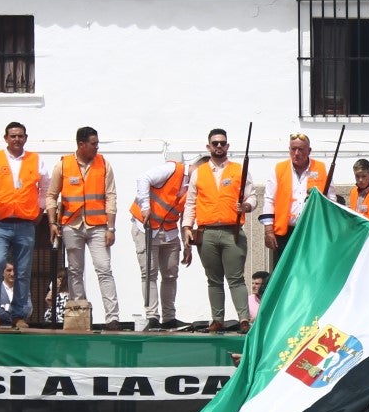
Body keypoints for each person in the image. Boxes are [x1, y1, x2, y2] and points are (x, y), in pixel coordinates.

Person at [47, 126, 120, 330]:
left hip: (98, 226)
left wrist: (111, 228)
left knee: (104, 268)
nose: (97, 147)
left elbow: (111, 196)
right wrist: (53, 222)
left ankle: (112, 318)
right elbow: (51, 195)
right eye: (93, 143)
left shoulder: (104, 164)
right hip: (72, 224)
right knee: (75, 271)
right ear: (81, 144)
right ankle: (79, 318)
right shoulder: (63, 165)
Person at [185, 129, 256, 333]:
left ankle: (244, 319)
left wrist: (247, 207)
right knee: (213, 280)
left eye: (222, 143)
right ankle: (217, 319)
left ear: (227, 146)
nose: (218, 146)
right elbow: (190, 203)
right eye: (214, 143)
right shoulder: (199, 173)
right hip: (206, 232)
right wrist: (187, 228)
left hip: (232, 231)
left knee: (236, 278)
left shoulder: (238, 170)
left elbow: (252, 196)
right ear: (208, 146)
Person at [0, 121, 47, 329]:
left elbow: (45, 185)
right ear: (6, 138)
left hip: (25, 223)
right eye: (13, 136)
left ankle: (19, 315)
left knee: (23, 270)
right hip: (0, 222)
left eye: (20, 136)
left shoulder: (35, 160)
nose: (16, 139)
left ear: (25, 138)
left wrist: (40, 210)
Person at [131, 150, 188, 330]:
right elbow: (143, 178)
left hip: (169, 231)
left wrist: (187, 244)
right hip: (146, 227)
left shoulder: (194, 186)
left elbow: (187, 213)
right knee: (149, 273)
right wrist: (145, 207)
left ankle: (169, 317)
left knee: (171, 274)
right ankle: (152, 316)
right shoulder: (173, 169)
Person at [261, 132, 322, 262]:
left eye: (301, 149)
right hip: (284, 232)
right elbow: (269, 199)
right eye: (293, 149)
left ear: (309, 150)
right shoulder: (278, 169)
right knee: (283, 271)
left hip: (311, 231)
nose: (297, 153)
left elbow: (330, 199)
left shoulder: (321, 168)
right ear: (289, 150)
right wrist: (268, 230)